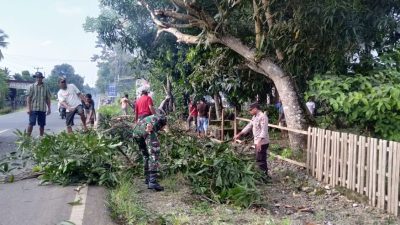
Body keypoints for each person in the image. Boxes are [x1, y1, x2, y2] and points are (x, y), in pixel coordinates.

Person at [234, 102, 270, 180]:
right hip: (257, 141)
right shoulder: (255, 117)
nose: (249, 112)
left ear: (255, 109)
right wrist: (240, 134)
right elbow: (249, 125)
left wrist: (260, 142)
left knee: (261, 160)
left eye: (250, 110)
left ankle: (265, 177)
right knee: (259, 158)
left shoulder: (263, 117)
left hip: (262, 142)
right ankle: (263, 175)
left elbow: (264, 130)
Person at [132, 113, 167, 191]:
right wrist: (148, 130)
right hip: (146, 131)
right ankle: (152, 182)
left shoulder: (153, 118)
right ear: (162, 123)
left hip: (136, 134)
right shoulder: (157, 119)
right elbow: (149, 125)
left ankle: (147, 178)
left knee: (146, 155)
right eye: (163, 127)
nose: (162, 129)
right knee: (154, 153)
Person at [26, 72, 51, 137]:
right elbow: (29, 98)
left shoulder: (46, 87)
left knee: (42, 124)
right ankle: (27, 138)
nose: (38, 79)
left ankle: (41, 137)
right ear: (35, 78)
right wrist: (28, 108)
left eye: (40, 77)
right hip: (33, 108)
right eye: (37, 77)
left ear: (42, 78)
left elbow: (48, 99)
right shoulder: (31, 87)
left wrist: (49, 108)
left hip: (42, 108)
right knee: (31, 123)